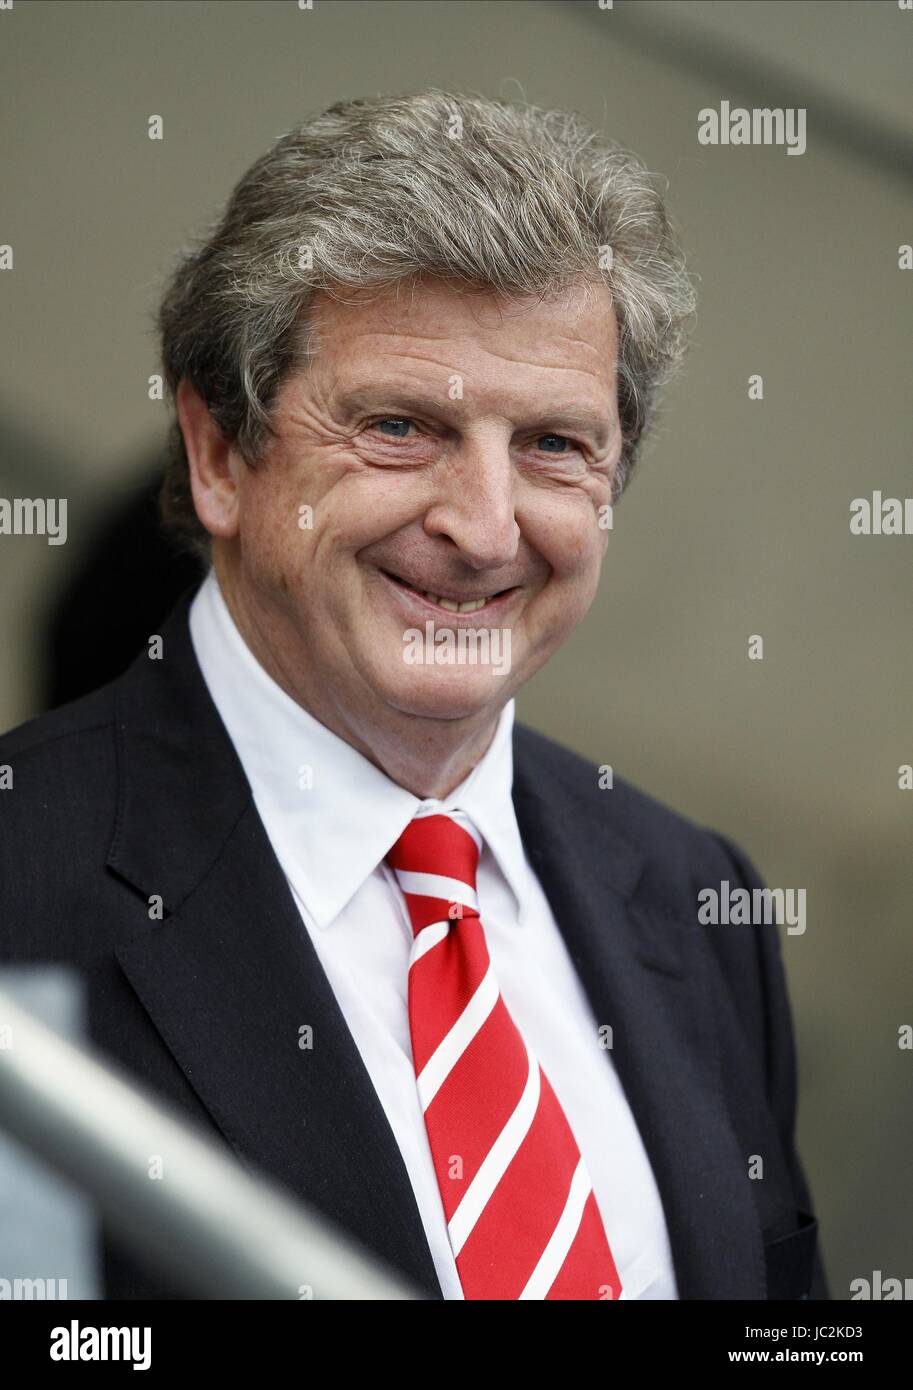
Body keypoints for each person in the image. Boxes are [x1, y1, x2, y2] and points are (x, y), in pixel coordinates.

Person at [0, 88, 827, 1300]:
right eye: (399, 426)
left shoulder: (696, 902)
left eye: (554, 443)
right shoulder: (25, 873)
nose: (486, 528)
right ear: (220, 454)